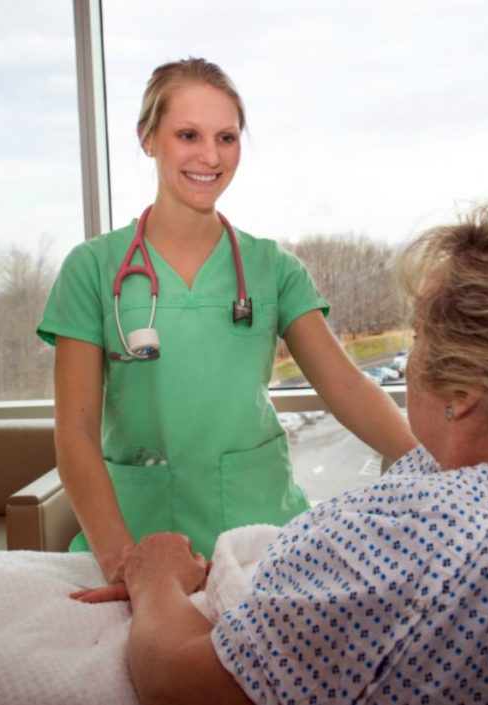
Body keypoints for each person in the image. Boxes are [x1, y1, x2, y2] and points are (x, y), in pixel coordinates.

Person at [73, 200, 488, 704]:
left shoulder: (408, 534)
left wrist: (154, 578)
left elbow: (176, 681)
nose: (409, 358)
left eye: (418, 337)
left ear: (462, 393)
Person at [37, 58, 415, 585]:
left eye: (227, 137)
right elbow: (75, 432)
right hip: (139, 536)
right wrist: (122, 563)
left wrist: (428, 463)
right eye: (187, 135)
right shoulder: (93, 269)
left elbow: (347, 388)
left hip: (261, 535)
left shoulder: (273, 269)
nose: (210, 156)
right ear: (147, 138)